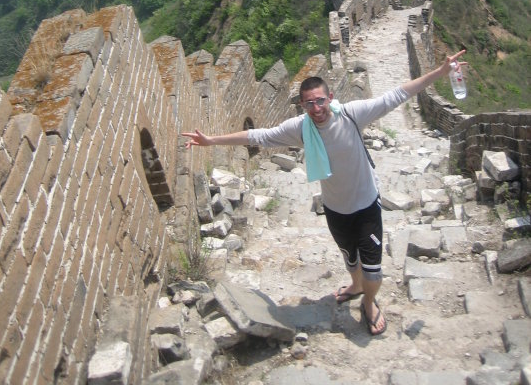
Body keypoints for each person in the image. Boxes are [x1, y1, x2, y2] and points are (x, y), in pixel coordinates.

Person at [182, 50, 466, 337]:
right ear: (302, 105)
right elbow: (259, 136)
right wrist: (211, 141)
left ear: (330, 98)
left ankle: (368, 302)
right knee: (349, 257)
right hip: (335, 208)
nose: (316, 108)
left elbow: (397, 95)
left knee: (374, 272)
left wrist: (440, 73)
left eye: (320, 100)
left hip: (367, 204)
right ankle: (355, 286)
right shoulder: (301, 129)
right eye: (309, 103)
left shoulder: (353, 114)